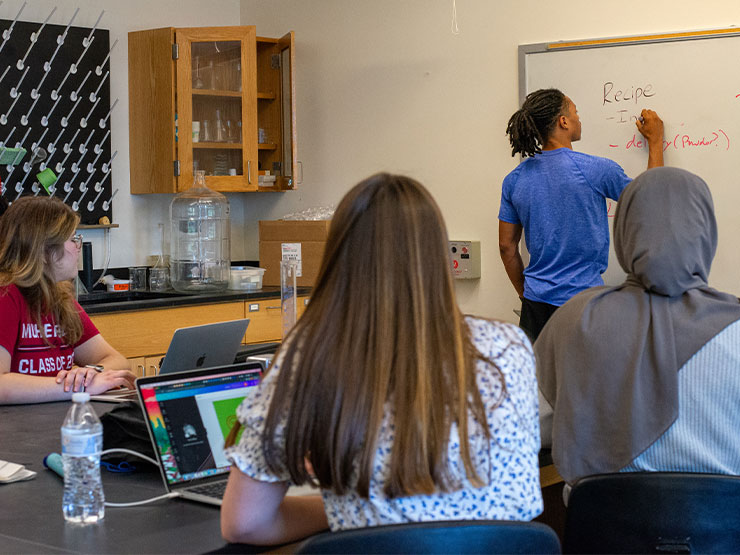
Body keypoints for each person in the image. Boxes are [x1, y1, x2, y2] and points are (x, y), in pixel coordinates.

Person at [221, 173, 543, 545]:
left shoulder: (310, 356)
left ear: (338, 258)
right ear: (438, 256)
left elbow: (244, 523)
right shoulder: (510, 345)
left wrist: (352, 507)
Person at [535, 167, 740, 485]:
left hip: (601, 530)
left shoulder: (573, 319)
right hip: (722, 530)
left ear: (625, 230)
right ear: (706, 231)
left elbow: (534, 426)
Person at [498, 88, 664, 341]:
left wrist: (527, 294)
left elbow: (506, 247)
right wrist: (655, 141)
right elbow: (651, 199)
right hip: (584, 305)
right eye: (575, 112)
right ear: (563, 121)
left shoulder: (515, 180)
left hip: (535, 306)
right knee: (585, 379)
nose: (579, 118)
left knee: (540, 379)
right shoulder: (596, 170)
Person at [0, 196, 135, 404]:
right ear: (44, 251)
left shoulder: (60, 297)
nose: (78, 246)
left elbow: (118, 361)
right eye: (72, 239)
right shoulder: (6, 296)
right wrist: (75, 387)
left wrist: (89, 374)